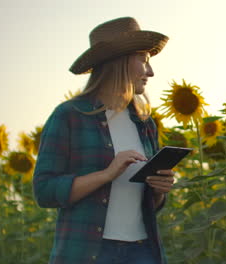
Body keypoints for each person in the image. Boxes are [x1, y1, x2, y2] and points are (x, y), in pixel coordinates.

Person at [33, 17, 173, 264]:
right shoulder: (69, 116)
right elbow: (44, 191)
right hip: (89, 253)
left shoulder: (145, 123)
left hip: (142, 252)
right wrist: (106, 174)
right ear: (120, 61)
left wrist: (159, 190)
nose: (150, 71)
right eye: (144, 60)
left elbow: (148, 204)